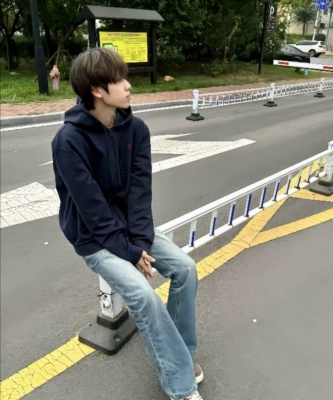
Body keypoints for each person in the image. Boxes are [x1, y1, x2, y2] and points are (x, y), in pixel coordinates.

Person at [51, 48, 203, 400]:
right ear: (97, 90)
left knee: (185, 268)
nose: (128, 85)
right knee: (144, 298)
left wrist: (140, 243)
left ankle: (181, 354)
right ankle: (180, 387)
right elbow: (91, 209)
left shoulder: (136, 129)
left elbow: (139, 192)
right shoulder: (69, 141)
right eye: (118, 79)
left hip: (131, 230)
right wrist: (129, 251)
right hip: (93, 237)